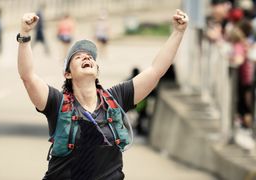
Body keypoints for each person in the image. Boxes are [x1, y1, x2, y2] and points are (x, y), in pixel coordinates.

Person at [17, 9, 188, 180]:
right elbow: (28, 77)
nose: (87, 58)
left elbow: (155, 71)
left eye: (90, 57)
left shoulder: (117, 98)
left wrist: (178, 33)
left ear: (97, 70)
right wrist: (24, 35)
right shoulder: (57, 103)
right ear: (68, 74)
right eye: (78, 57)